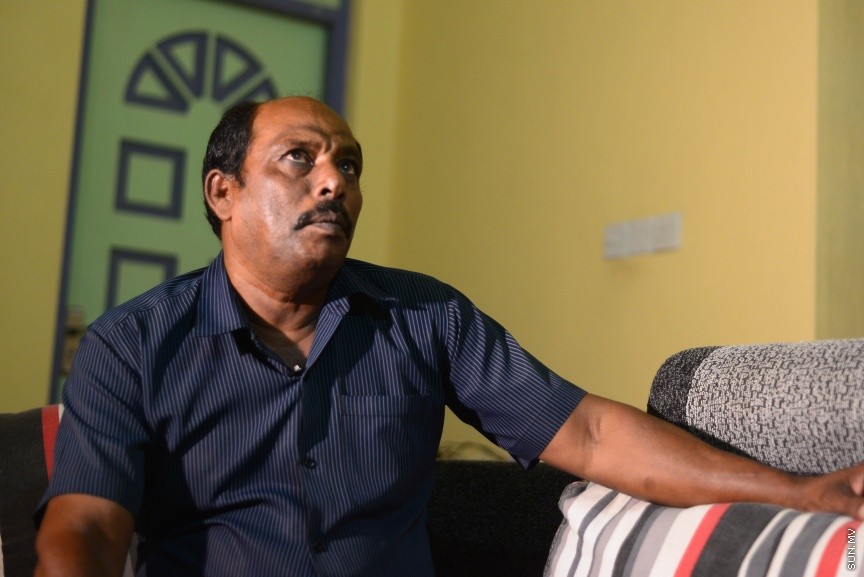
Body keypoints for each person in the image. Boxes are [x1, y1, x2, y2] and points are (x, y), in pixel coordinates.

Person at [35, 96, 864, 577]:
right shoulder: (130, 344)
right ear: (223, 192)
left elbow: (587, 431)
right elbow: (86, 528)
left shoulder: (423, 316)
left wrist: (800, 490)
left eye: (349, 165)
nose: (333, 182)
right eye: (299, 159)